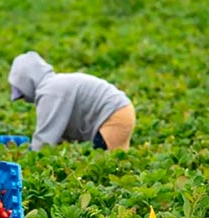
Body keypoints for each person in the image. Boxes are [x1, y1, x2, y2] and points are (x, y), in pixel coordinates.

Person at [8, 51, 136, 151]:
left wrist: (30, 159)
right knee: (116, 160)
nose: (24, 99)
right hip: (122, 111)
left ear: (28, 82)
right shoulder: (55, 85)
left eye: (22, 94)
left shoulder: (49, 91)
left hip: (112, 116)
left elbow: (45, 137)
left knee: (104, 161)